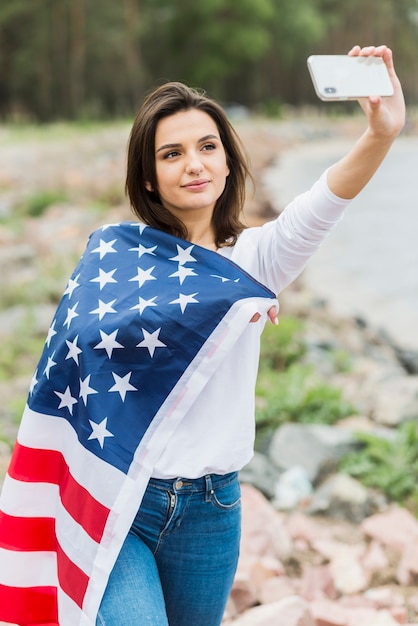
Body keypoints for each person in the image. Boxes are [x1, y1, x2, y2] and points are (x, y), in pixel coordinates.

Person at [0, 45, 405, 626]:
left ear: (228, 161)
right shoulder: (114, 254)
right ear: (148, 174)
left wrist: (381, 133)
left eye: (207, 147)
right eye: (173, 153)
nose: (195, 163)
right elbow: (76, 352)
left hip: (212, 510)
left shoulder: (254, 264)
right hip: (119, 495)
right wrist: (200, 316)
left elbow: (327, 201)